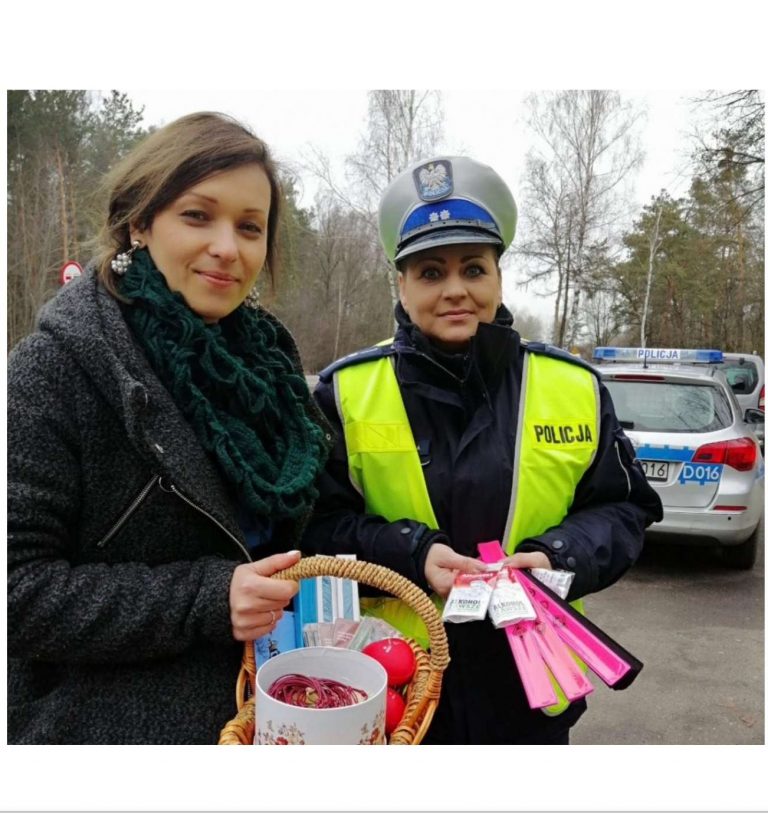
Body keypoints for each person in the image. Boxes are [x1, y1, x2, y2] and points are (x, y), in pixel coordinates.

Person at [303, 155, 663, 744]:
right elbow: (315, 526)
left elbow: (626, 510)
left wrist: (557, 557)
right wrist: (410, 553)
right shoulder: (344, 392)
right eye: (429, 272)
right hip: (398, 689)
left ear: (498, 277)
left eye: (473, 268)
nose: (455, 291)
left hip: (532, 685)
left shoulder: (573, 386)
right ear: (400, 283)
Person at [7, 112, 331, 744]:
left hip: (269, 708)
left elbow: (312, 526)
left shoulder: (272, 370)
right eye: (196, 215)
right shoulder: (55, 368)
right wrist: (205, 600)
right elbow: (17, 591)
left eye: (250, 227)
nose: (227, 247)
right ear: (139, 222)